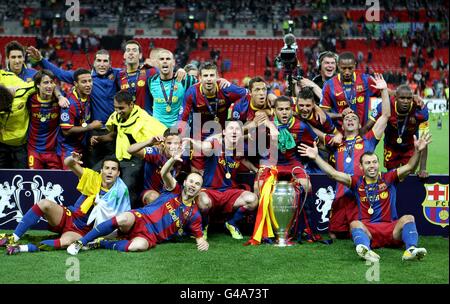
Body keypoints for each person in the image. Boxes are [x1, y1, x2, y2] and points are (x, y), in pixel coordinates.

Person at [299, 131, 432, 262]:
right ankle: (365, 249)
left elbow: (409, 167)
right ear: (361, 167)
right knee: (355, 224)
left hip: (391, 230)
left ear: (378, 164)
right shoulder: (356, 181)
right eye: (367, 163)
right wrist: (316, 157)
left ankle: (411, 250)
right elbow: (333, 174)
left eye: (374, 162)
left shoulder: (389, 177)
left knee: (408, 218)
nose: (372, 166)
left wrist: (418, 151)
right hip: (369, 231)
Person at [66, 148, 208, 254]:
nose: (192, 186)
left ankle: (102, 243)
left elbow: (199, 237)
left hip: (151, 235)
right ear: (185, 183)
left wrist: (203, 243)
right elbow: (164, 172)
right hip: (141, 217)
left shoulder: (194, 214)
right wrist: (172, 159)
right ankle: (81, 242)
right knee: (123, 218)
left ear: (200, 189)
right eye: (191, 182)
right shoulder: (174, 189)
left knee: (138, 246)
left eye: (197, 184)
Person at [0, 152, 130, 255]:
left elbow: (120, 220)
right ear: (101, 170)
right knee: (45, 203)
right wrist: (72, 159)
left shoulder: (120, 193)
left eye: (113, 169)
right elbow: (68, 163)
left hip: (82, 231)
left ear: (118, 173)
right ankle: (13, 237)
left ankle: (23, 248)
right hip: (69, 215)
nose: (109, 171)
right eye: (107, 168)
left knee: (65, 242)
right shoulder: (92, 178)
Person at [27, 46, 120, 167]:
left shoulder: (118, 75)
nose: (102, 64)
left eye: (105, 61)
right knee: (92, 169)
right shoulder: (85, 77)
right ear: (94, 63)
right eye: (99, 60)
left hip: (113, 132)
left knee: (112, 168)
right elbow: (59, 73)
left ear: (110, 64)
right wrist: (41, 60)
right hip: (93, 133)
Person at [324, 73, 391, 238]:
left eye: (354, 117)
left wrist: (383, 91)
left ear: (360, 124)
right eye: (347, 118)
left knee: (360, 231)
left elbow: (386, 116)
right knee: (333, 235)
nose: (350, 119)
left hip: (361, 196)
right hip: (340, 196)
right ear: (343, 124)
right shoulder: (336, 142)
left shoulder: (368, 140)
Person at [90, 90, 166, 208]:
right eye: (116, 108)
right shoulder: (116, 116)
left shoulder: (144, 120)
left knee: (128, 186)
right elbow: (113, 134)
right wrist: (99, 139)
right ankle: (89, 210)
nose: (118, 111)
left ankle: (127, 217)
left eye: (121, 108)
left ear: (131, 105)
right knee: (92, 174)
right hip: (118, 157)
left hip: (135, 161)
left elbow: (164, 137)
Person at [187, 120, 259, 240]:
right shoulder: (216, 144)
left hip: (230, 192)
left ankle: (232, 223)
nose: (234, 132)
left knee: (252, 200)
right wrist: (193, 143)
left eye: (238, 130)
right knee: (203, 202)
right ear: (224, 132)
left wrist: (256, 170)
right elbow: (204, 147)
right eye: (231, 129)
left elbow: (242, 160)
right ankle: (204, 225)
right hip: (210, 191)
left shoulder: (239, 149)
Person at [365, 85, 429, 171]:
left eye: (408, 98)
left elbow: (424, 141)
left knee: (409, 175)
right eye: (402, 98)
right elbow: (368, 127)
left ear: (412, 98)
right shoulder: (385, 106)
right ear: (395, 98)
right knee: (391, 175)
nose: (405, 101)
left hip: (410, 147)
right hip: (391, 146)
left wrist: (423, 169)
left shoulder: (420, 111)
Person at [179, 62, 248, 139]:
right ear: (200, 78)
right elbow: (182, 118)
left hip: (221, 135)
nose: (209, 79)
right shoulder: (192, 92)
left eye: (212, 75)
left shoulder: (226, 88)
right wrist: (180, 136)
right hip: (198, 136)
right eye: (205, 76)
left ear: (217, 77)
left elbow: (250, 94)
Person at [320, 52, 386, 131]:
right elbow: (323, 114)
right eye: (343, 68)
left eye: (350, 68)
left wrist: (368, 124)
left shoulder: (365, 80)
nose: (347, 72)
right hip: (340, 135)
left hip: (361, 134)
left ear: (355, 65)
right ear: (338, 65)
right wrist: (340, 115)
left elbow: (387, 97)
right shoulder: (329, 85)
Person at [128, 129, 186, 205]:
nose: (172, 146)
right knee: (153, 197)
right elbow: (130, 150)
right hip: (151, 191)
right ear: (163, 143)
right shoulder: (155, 152)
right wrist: (149, 142)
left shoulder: (184, 156)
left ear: (180, 144)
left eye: (176, 143)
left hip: (170, 192)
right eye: (169, 143)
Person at [58, 68, 103, 168]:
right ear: (75, 84)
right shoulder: (69, 104)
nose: (88, 84)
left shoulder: (88, 95)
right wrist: (90, 127)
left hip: (82, 146)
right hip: (68, 148)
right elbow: (66, 131)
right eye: (84, 82)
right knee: (70, 178)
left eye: (90, 81)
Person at [147, 49, 197, 128]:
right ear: (157, 63)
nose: (165, 61)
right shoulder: (151, 81)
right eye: (161, 59)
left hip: (177, 129)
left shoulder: (185, 80)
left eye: (168, 59)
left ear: (173, 62)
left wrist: (219, 80)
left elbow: (204, 83)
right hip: (157, 129)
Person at [27, 69, 62, 169]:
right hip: (34, 150)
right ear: (38, 85)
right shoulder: (30, 99)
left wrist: (60, 97)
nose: (49, 86)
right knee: (34, 180)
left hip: (53, 150)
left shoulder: (59, 100)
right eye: (46, 82)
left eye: (51, 82)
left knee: (56, 181)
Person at [0, 70, 35, 168]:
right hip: (2, 145)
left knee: (21, 175)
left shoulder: (21, 93)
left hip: (20, 145)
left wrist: (59, 96)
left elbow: (41, 83)